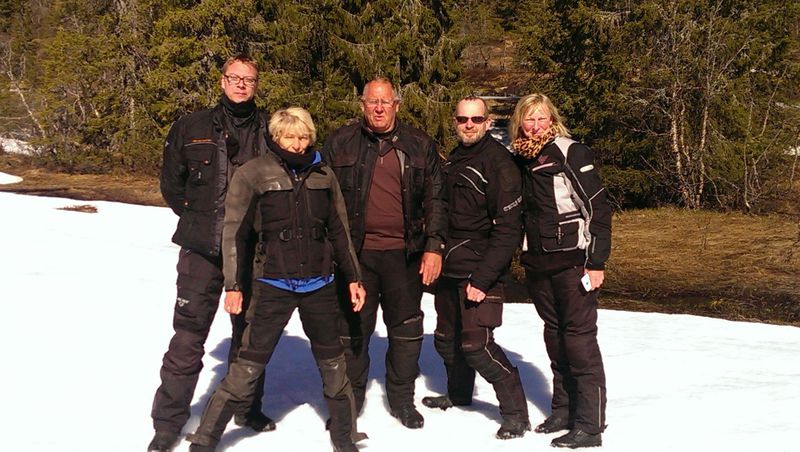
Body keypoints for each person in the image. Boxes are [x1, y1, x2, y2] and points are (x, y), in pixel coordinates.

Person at [186, 108, 368, 452]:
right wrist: (233, 285)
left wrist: (353, 278)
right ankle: (205, 439)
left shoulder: (323, 175)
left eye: (303, 137)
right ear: (276, 137)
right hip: (272, 285)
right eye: (289, 137)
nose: (297, 144)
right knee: (247, 367)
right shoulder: (253, 173)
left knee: (333, 364)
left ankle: (345, 438)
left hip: (320, 285)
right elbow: (234, 234)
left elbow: (340, 231)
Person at [151, 55, 274, 451]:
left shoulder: (270, 129)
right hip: (202, 250)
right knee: (188, 338)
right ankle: (168, 422)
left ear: (256, 85)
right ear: (222, 81)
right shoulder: (191, 127)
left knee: (250, 336)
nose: (240, 84)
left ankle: (246, 407)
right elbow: (172, 184)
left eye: (248, 79)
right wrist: (200, 218)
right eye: (234, 77)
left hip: (252, 251)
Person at [321, 77, 447, 429]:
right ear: (362, 105)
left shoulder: (420, 144)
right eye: (372, 102)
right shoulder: (340, 143)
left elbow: (437, 199)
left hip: (405, 255)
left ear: (396, 105)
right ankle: (349, 401)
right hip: (356, 256)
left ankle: (402, 399)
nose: (378, 108)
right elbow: (322, 198)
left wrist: (434, 246)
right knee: (352, 330)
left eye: (385, 102)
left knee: (406, 331)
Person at [420, 96, 531, 439]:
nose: (468, 125)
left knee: (477, 346)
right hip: (450, 265)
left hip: (480, 269)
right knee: (446, 340)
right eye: (462, 119)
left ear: (487, 122)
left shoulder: (499, 164)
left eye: (476, 119)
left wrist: (483, 278)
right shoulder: (455, 158)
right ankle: (458, 394)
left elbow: (508, 229)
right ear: (455, 121)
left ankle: (516, 414)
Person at [510, 93, 611, 449]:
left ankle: (590, 425)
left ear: (552, 120)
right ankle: (563, 411)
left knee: (579, 341)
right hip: (538, 263)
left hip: (572, 261)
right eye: (529, 119)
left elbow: (598, 207)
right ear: (520, 122)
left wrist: (596, 261)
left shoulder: (570, 152)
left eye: (542, 118)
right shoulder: (519, 158)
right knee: (555, 338)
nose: (536, 125)